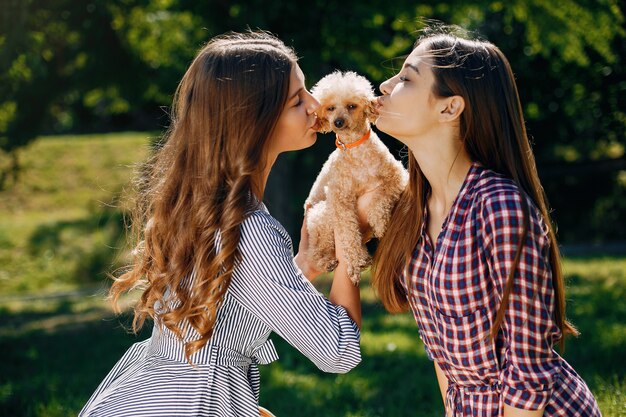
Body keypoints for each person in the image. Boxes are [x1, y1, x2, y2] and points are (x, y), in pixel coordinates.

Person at [79, 31, 362, 417]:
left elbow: (231, 301)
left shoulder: (199, 204)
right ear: (253, 119)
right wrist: (350, 249)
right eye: (297, 99)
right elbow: (337, 350)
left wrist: (305, 267)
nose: (316, 105)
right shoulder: (252, 228)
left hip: (154, 392)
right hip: (197, 401)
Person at [371, 27, 601, 417]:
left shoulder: (500, 207)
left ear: (450, 108)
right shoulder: (413, 211)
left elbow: (529, 370)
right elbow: (443, 357)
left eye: (406, 78)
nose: (384, 85)